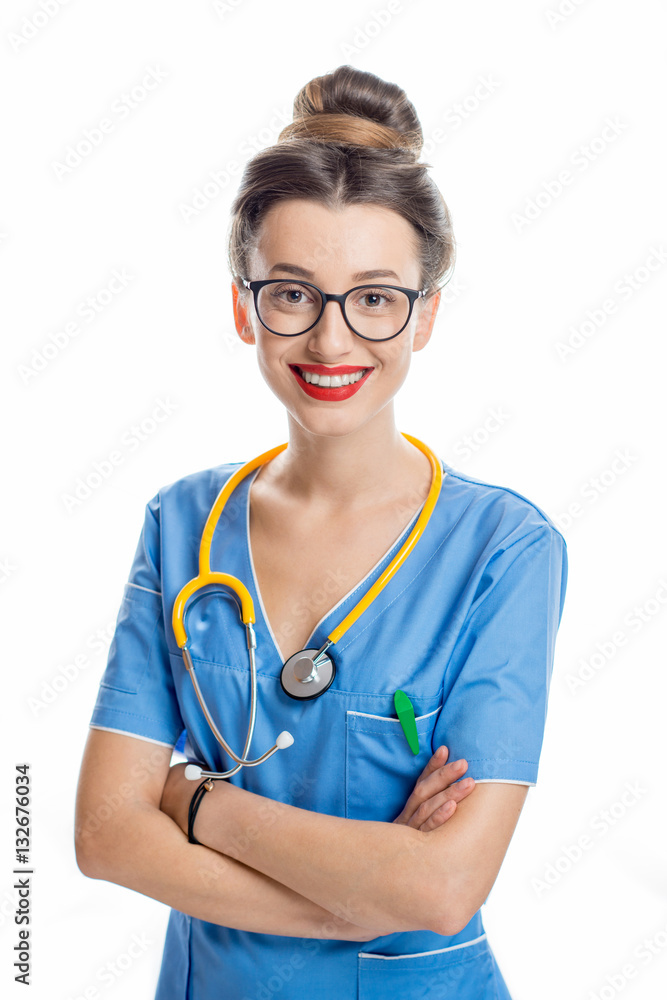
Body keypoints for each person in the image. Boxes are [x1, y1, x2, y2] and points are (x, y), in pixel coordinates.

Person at [74, 64, 568, 999]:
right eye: (293, 293)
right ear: (243, 304)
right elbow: (102, 836)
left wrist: (191, 801)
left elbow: (444, 883)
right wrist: (360, 893)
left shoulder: (505, 549)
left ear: (423, 315)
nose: (332, 342)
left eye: (374, 298)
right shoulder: (181, 523)